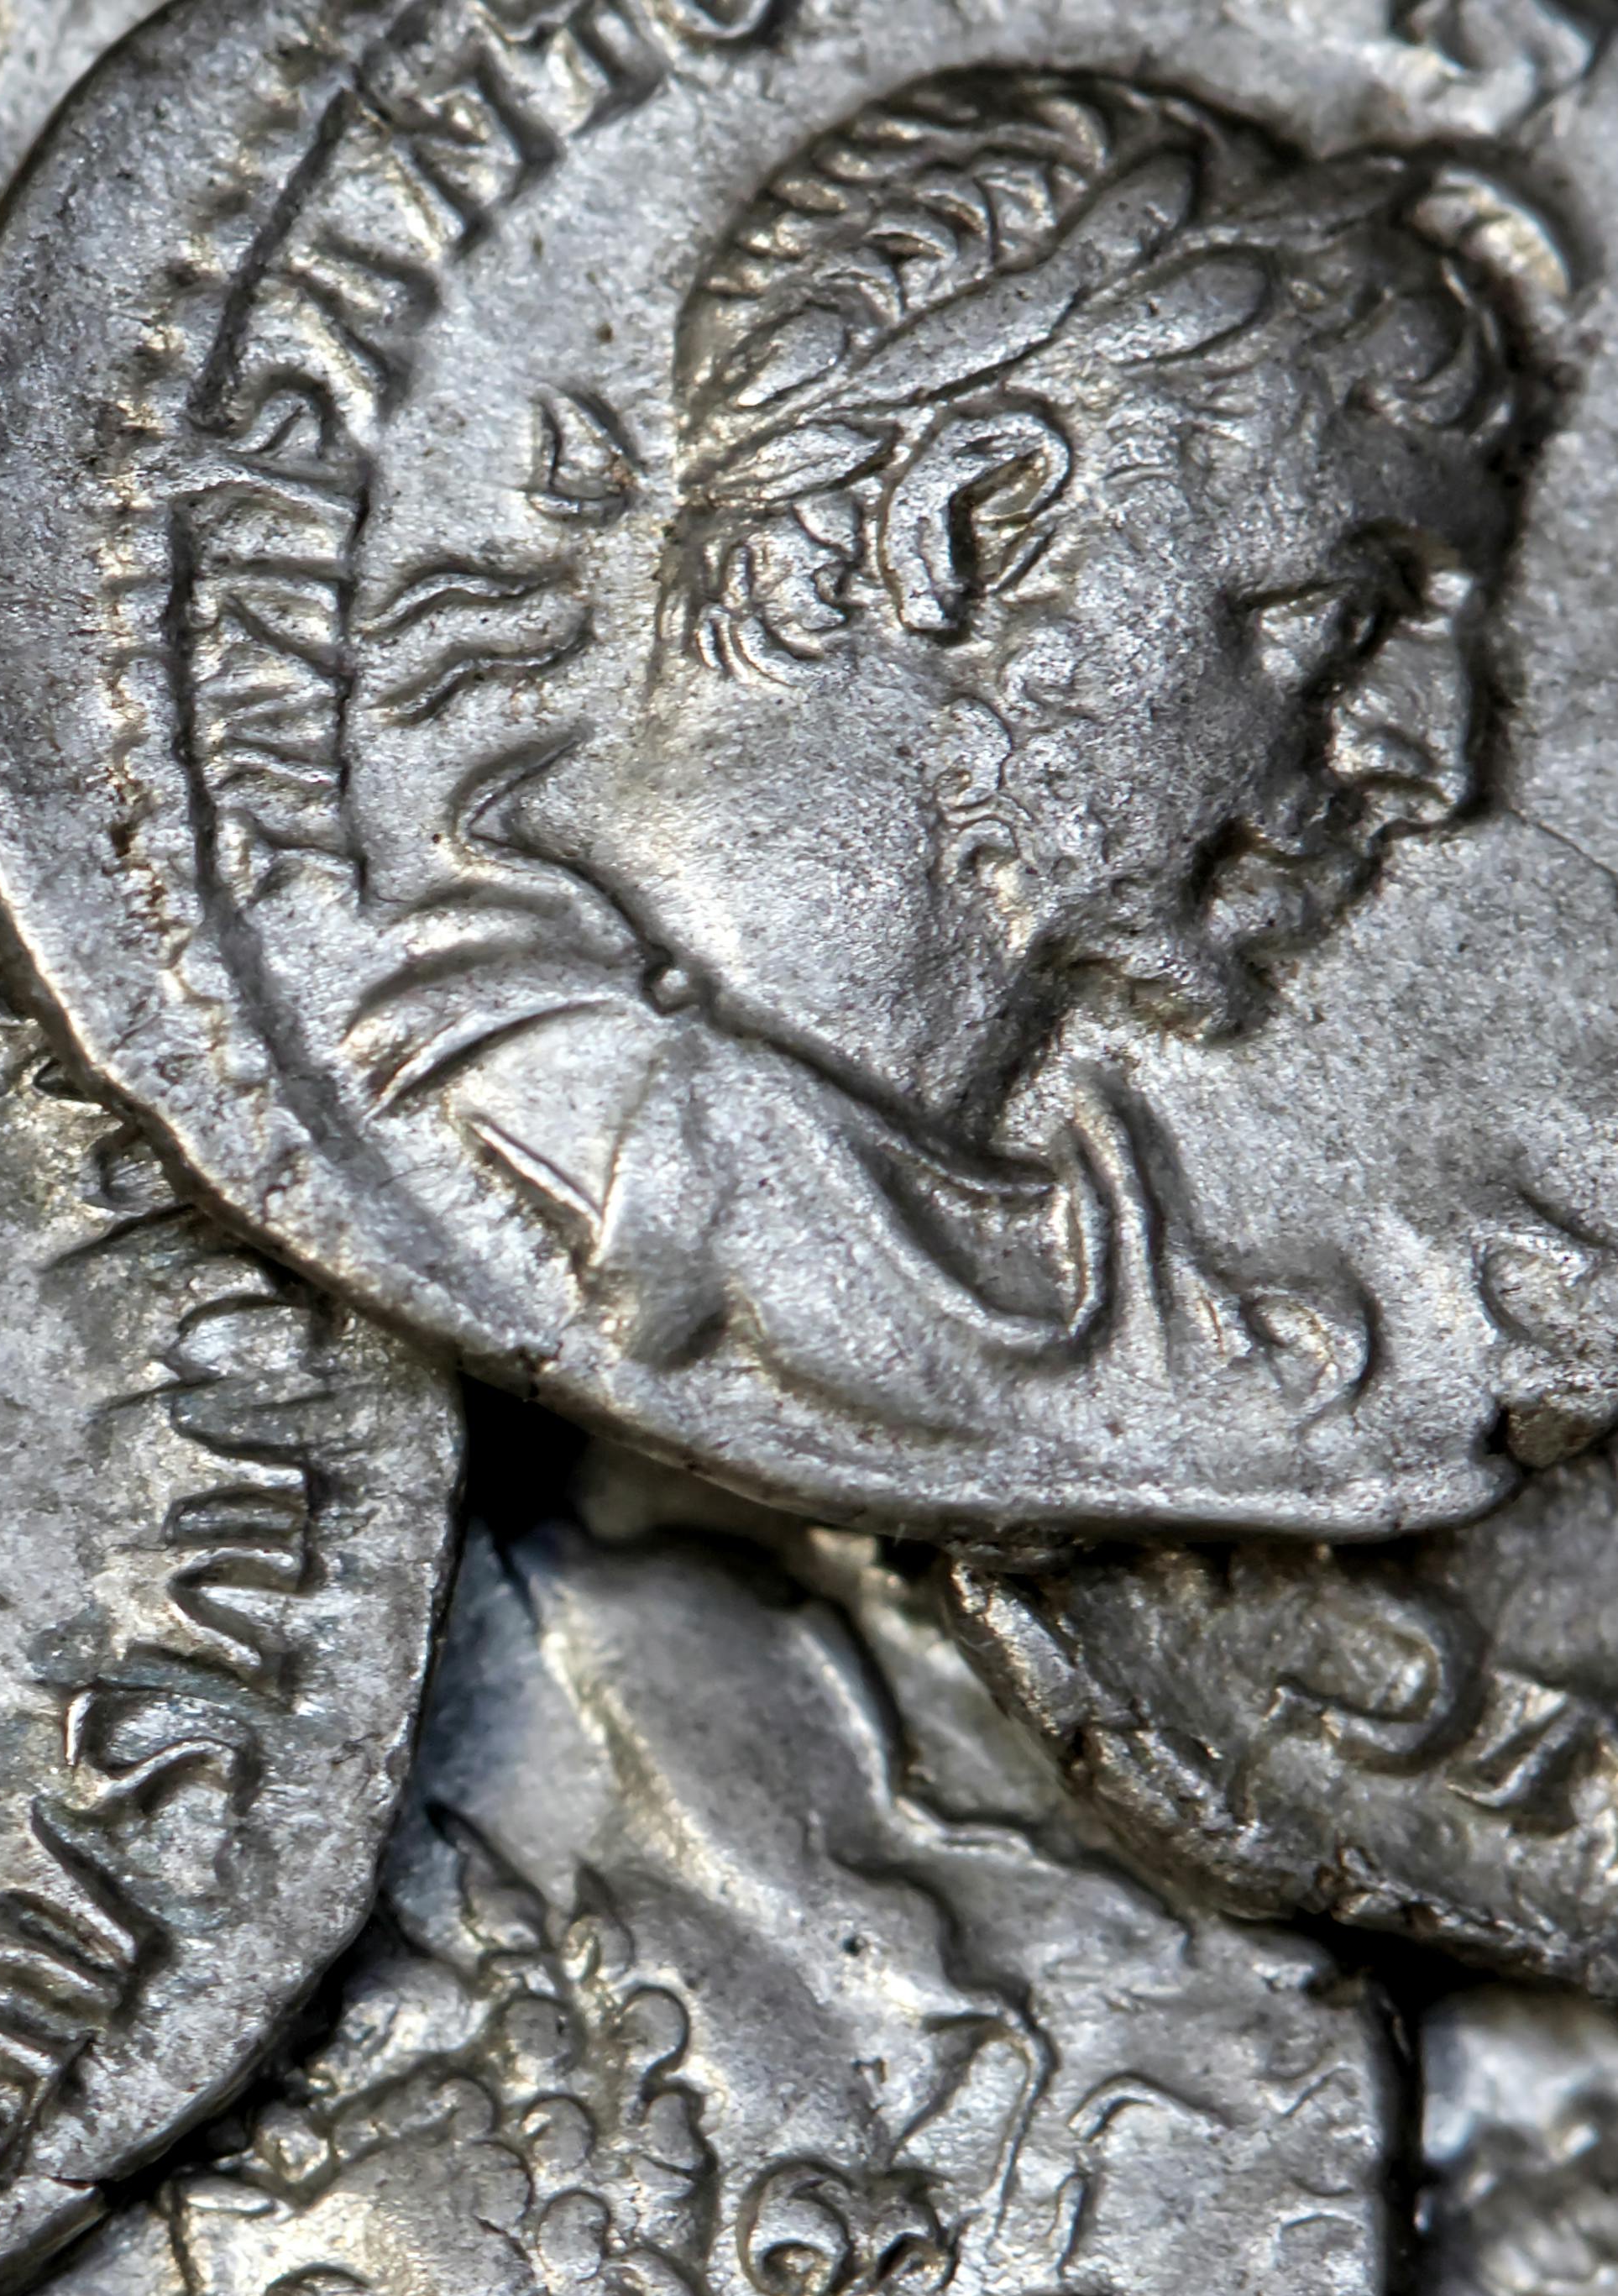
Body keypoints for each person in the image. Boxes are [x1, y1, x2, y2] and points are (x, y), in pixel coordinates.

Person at [345, 67, 1535, 1434]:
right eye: (1341, 611)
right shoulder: (522, 1111)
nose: (1433, 763)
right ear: (966, 523)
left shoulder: (1138, 1283)